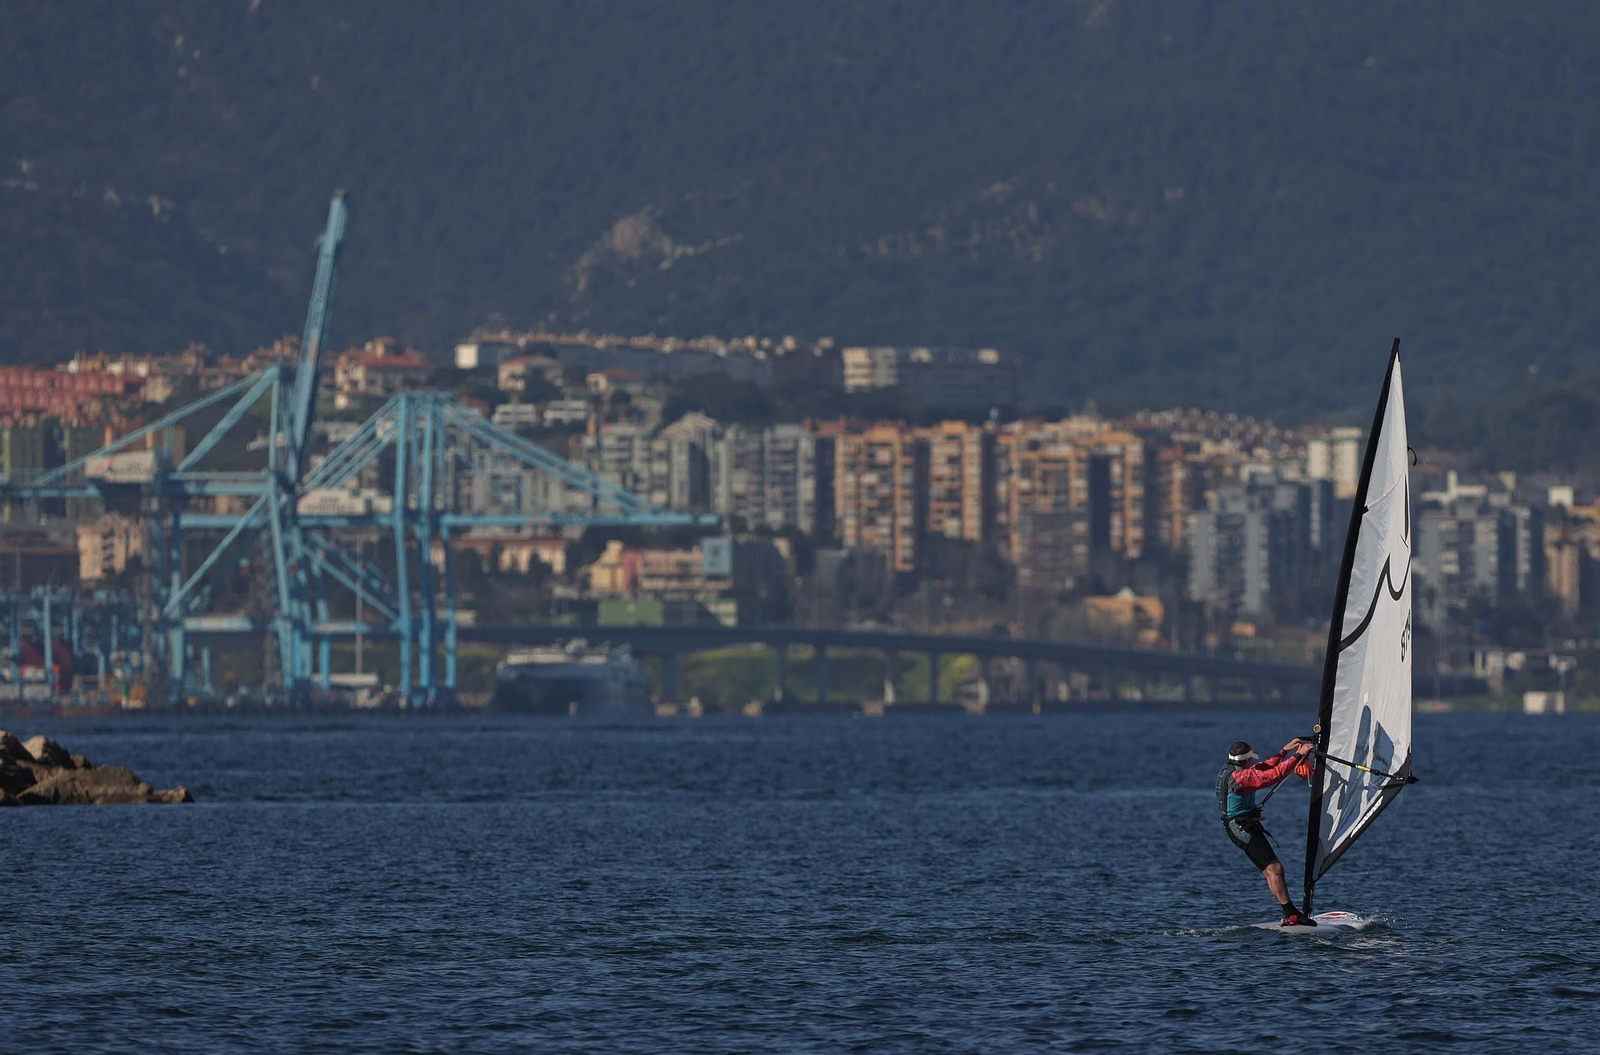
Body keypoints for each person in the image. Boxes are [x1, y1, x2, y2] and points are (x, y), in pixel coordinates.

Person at [1217, 738, 1317, 926]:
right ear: (1246, 761)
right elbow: (1274, 775)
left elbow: (1262, 768)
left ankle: (1290, 913)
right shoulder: (1241, 778)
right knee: (1275, 868)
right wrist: (1299, 755)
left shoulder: (1233, 770)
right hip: (1241, 828)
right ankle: (1292, 914)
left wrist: (1283, 751)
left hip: (1242, 825)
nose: (1252, 763)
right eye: (1250, 760)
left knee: (1271, 870)